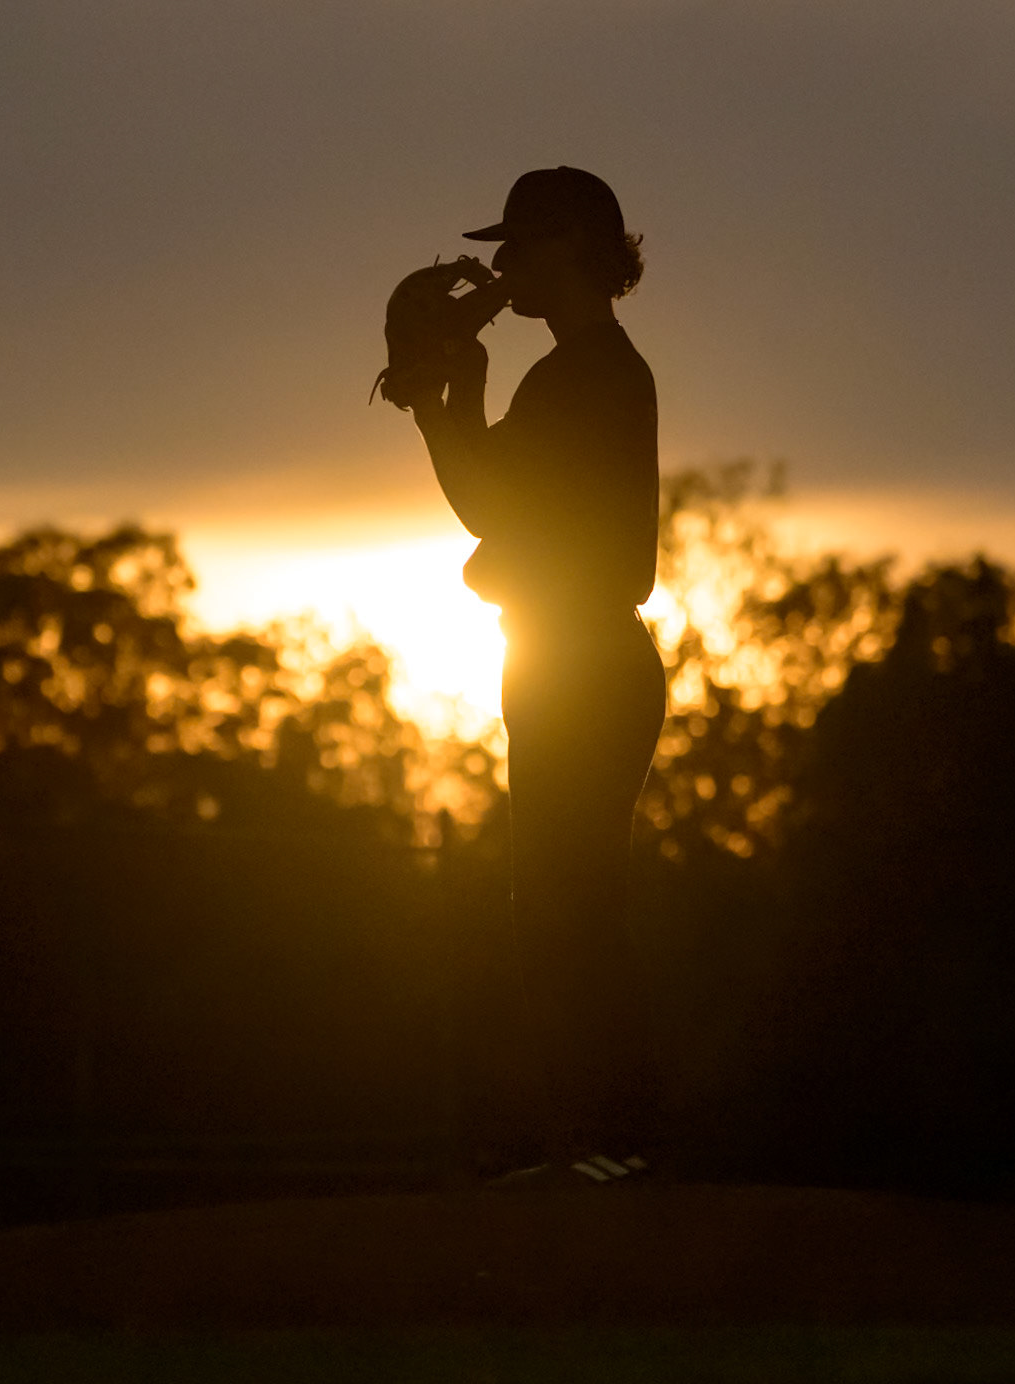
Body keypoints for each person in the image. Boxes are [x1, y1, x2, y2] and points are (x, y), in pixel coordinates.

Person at [405, 167, 667, 1182]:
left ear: (571, 249)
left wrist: (442, 400)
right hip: (575, 653)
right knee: (564, 900)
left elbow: (484, 507)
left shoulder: (581, 374)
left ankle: (609, 1140)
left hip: (581, 656)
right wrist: (452, 394)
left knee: (569, 904)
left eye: (522, 245)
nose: (503, 264)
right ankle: (600, 1138)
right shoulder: (582, 369)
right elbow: (493, 499)